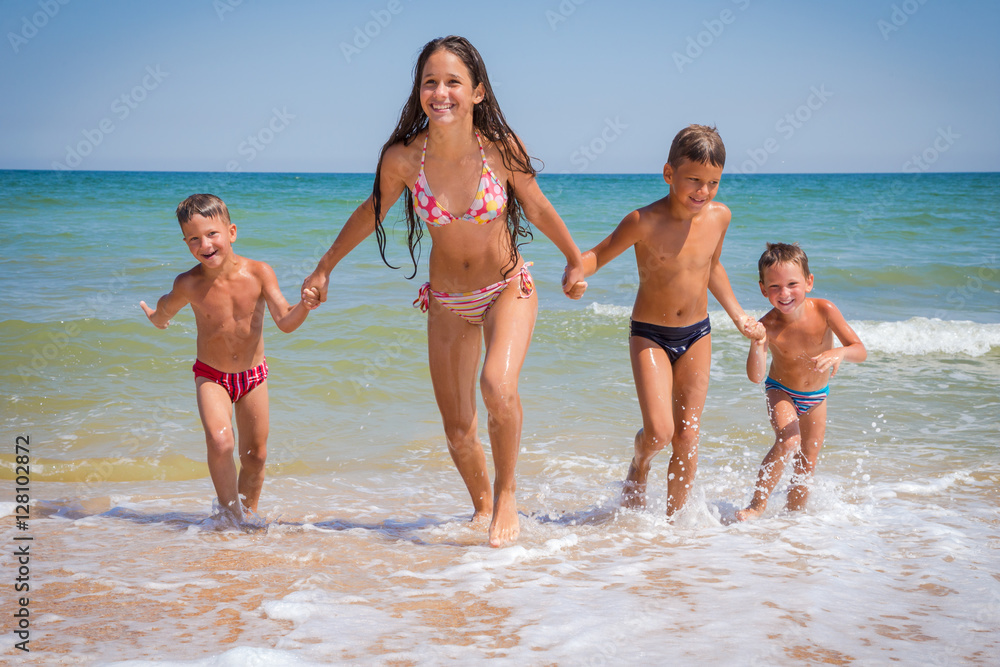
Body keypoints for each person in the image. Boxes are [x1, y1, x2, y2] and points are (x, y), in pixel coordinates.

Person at [302, 36, 587, 547]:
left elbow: (538, 208)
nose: (440, 92)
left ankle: (506, 495)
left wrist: (574, 258)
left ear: (477, 92)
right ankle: (481, 510)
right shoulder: (404, 159)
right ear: (418, 92)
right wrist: (324, 268)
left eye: (453, 81)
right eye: (430, 82)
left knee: (497, 387)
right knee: (458, 429)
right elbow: (371, 214)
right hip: (448, 302)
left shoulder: (500, 150)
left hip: (507, 287)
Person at [567, 124, 763, 516]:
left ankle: (673, 531)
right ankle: (639, 462)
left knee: (687, 437)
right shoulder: (643, 221)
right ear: (669, 173)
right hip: (650, 335)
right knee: (660, 433)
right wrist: (575, 273)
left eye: (713, 182)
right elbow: (596, 255)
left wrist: (739, 315)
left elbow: (713, 268)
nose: (703, 191)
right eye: (694, 180)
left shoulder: (719, 217)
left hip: (697, 333)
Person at [140, 194, 317, 523]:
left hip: (252, 377)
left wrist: (305, 305)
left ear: (231, 232)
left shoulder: (260, 273)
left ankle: (248, 518)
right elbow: (165, 309)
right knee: (221, 442)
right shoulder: (188, 283)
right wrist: (155, 317)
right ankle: (230, 518)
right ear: (186, 243)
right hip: (212, 375)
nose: (204, 244)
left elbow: (286, 321)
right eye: (193, 239)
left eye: (211, 234)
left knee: (255, 456)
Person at [735, 242, 866, 521]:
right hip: (781, 390)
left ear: (809, 282)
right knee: (789, 440)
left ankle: (794, 517)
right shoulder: (767, 325)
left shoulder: (825, 310)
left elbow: (860, 350)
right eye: (774, 287)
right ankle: (757, 504)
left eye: (792, 284)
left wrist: (839, 351)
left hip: (818, 395)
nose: (784, 294)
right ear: (762, 289)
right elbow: (755, 376)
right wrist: (758, 343)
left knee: (808, 459)